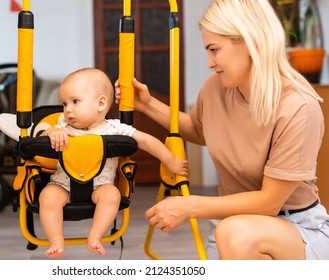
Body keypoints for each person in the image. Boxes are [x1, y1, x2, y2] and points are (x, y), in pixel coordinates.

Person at [115, 0, 329, 260]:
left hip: (295, 229)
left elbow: (269, 202)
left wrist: (190, 206)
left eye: (214, 49)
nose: (209, 62)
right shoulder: (215, 88)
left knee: (235, 233)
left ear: (251, 41)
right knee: (232, 232)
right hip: (233, 227)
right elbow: (198, 130)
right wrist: (147, 104)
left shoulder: (298, 106)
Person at [39, 67, 189, 258]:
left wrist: (171, 161)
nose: (68, 109)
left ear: (101, 103)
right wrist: (51, 133)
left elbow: (146, 141)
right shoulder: (62, 125)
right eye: (64, 103)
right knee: (48, 196)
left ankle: (95, 236)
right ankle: (56, 240)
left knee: (112, 195)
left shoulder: (115, 129)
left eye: (75, 101)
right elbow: (42, 137)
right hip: (63, 186)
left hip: (100, 188)